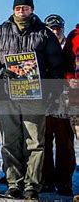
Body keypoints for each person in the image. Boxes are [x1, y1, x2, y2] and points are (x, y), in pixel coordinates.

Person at [0, 0, 63, 200]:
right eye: (18, 8)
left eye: (26, 8)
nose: (22, 11)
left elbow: (56, 67)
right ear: (13, 10)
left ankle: (32, 186)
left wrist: (51, 94)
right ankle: (14, 183)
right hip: (7, 96)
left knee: (34, 143)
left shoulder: (44, 34)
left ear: (32, 9)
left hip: (35, 97)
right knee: (10, 141)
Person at [41, 14, 75, 196]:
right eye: (51, 28)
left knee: (65, 142)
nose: (55, 31)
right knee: (44, 140)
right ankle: (46, 179)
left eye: (58, 28)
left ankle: (64, 181)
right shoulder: (41, 45)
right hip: (44, 99)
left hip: (65, 101)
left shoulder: (68, 47)